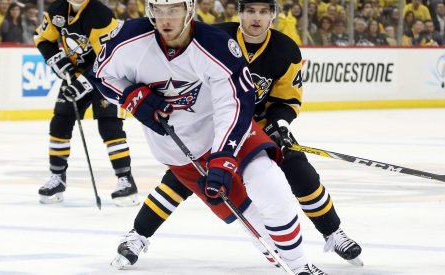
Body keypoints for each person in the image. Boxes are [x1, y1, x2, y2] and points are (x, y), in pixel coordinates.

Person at [107, 0, 364, 270]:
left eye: (263, 12)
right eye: (250, 11)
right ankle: (138, 234)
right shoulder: (217, 37)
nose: (256, 18)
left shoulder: (285, 50)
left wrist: (280, 123)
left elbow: (287, 99)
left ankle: (333, 233)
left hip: (260, 128)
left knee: (301, 173)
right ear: (239, 14)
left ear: (273, 16)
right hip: (213, 126)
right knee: (181, 179)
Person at [34, 0, 139, 206]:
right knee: (60, 122)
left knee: (110, 126)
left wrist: (84, 82)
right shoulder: (56, 11)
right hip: (77, 74)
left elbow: (106, 56)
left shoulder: (99, 13)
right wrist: (57, 59)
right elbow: (42, 39)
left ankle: (125, 179)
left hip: (109, 75)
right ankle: (57, 178)